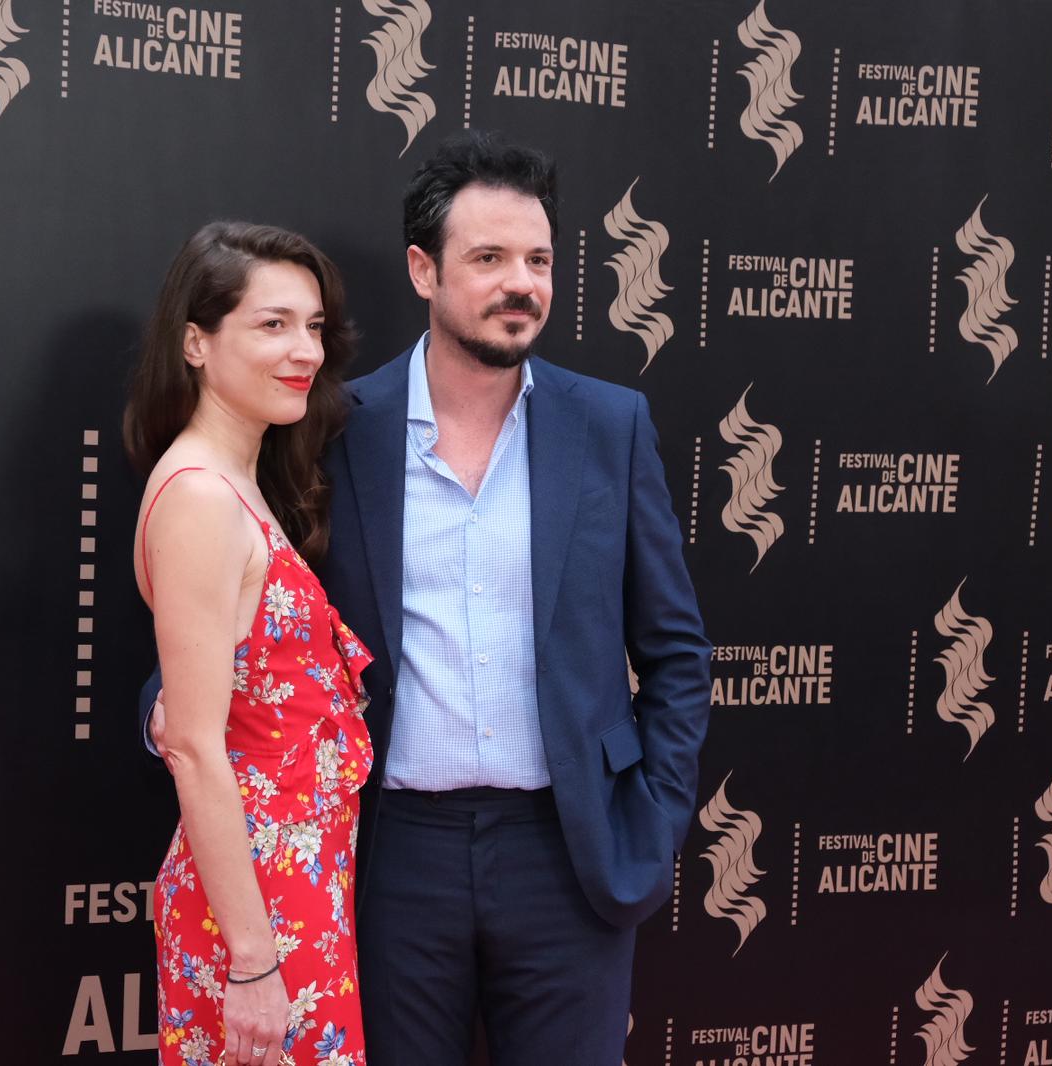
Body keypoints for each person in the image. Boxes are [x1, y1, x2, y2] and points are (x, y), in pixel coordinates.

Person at [149, 132, 711, 1066]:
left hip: (569, 856)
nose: (519, 283)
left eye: (537, 259)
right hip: (391, 856)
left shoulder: (610, 425)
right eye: (488, 259)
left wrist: (647, 827)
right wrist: (173, 717)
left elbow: (677, 653)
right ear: (423, 268)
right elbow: (241, 612)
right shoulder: (333, 430)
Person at [127, 221, 373, 1066]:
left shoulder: (240, 482)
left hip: (296, 889)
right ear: (196, 343)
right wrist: (254, 962)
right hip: (256, 911)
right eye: (272, 325)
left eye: (312, 326)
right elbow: (194, 747)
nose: (303, 349)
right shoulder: (200, 497)